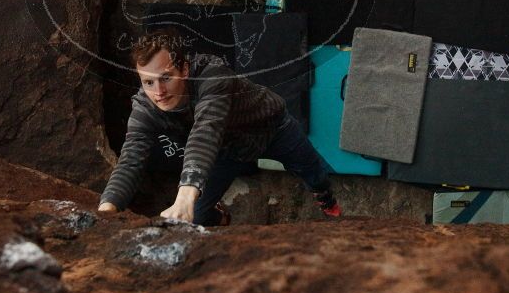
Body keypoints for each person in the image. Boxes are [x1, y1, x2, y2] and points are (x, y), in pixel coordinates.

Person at [98, 29, 341, 226]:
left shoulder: (212, 76)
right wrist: (106, 209)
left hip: (272, 129)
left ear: (184, 68)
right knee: (198, 217)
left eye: (166, 78)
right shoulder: (145, 108)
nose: (158, 92)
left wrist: (185, 194)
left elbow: (206, 130)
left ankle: (326, 199)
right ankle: (221, 216)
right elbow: (130, 160)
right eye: (148, 82)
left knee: (315, 173)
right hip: (225, 152)